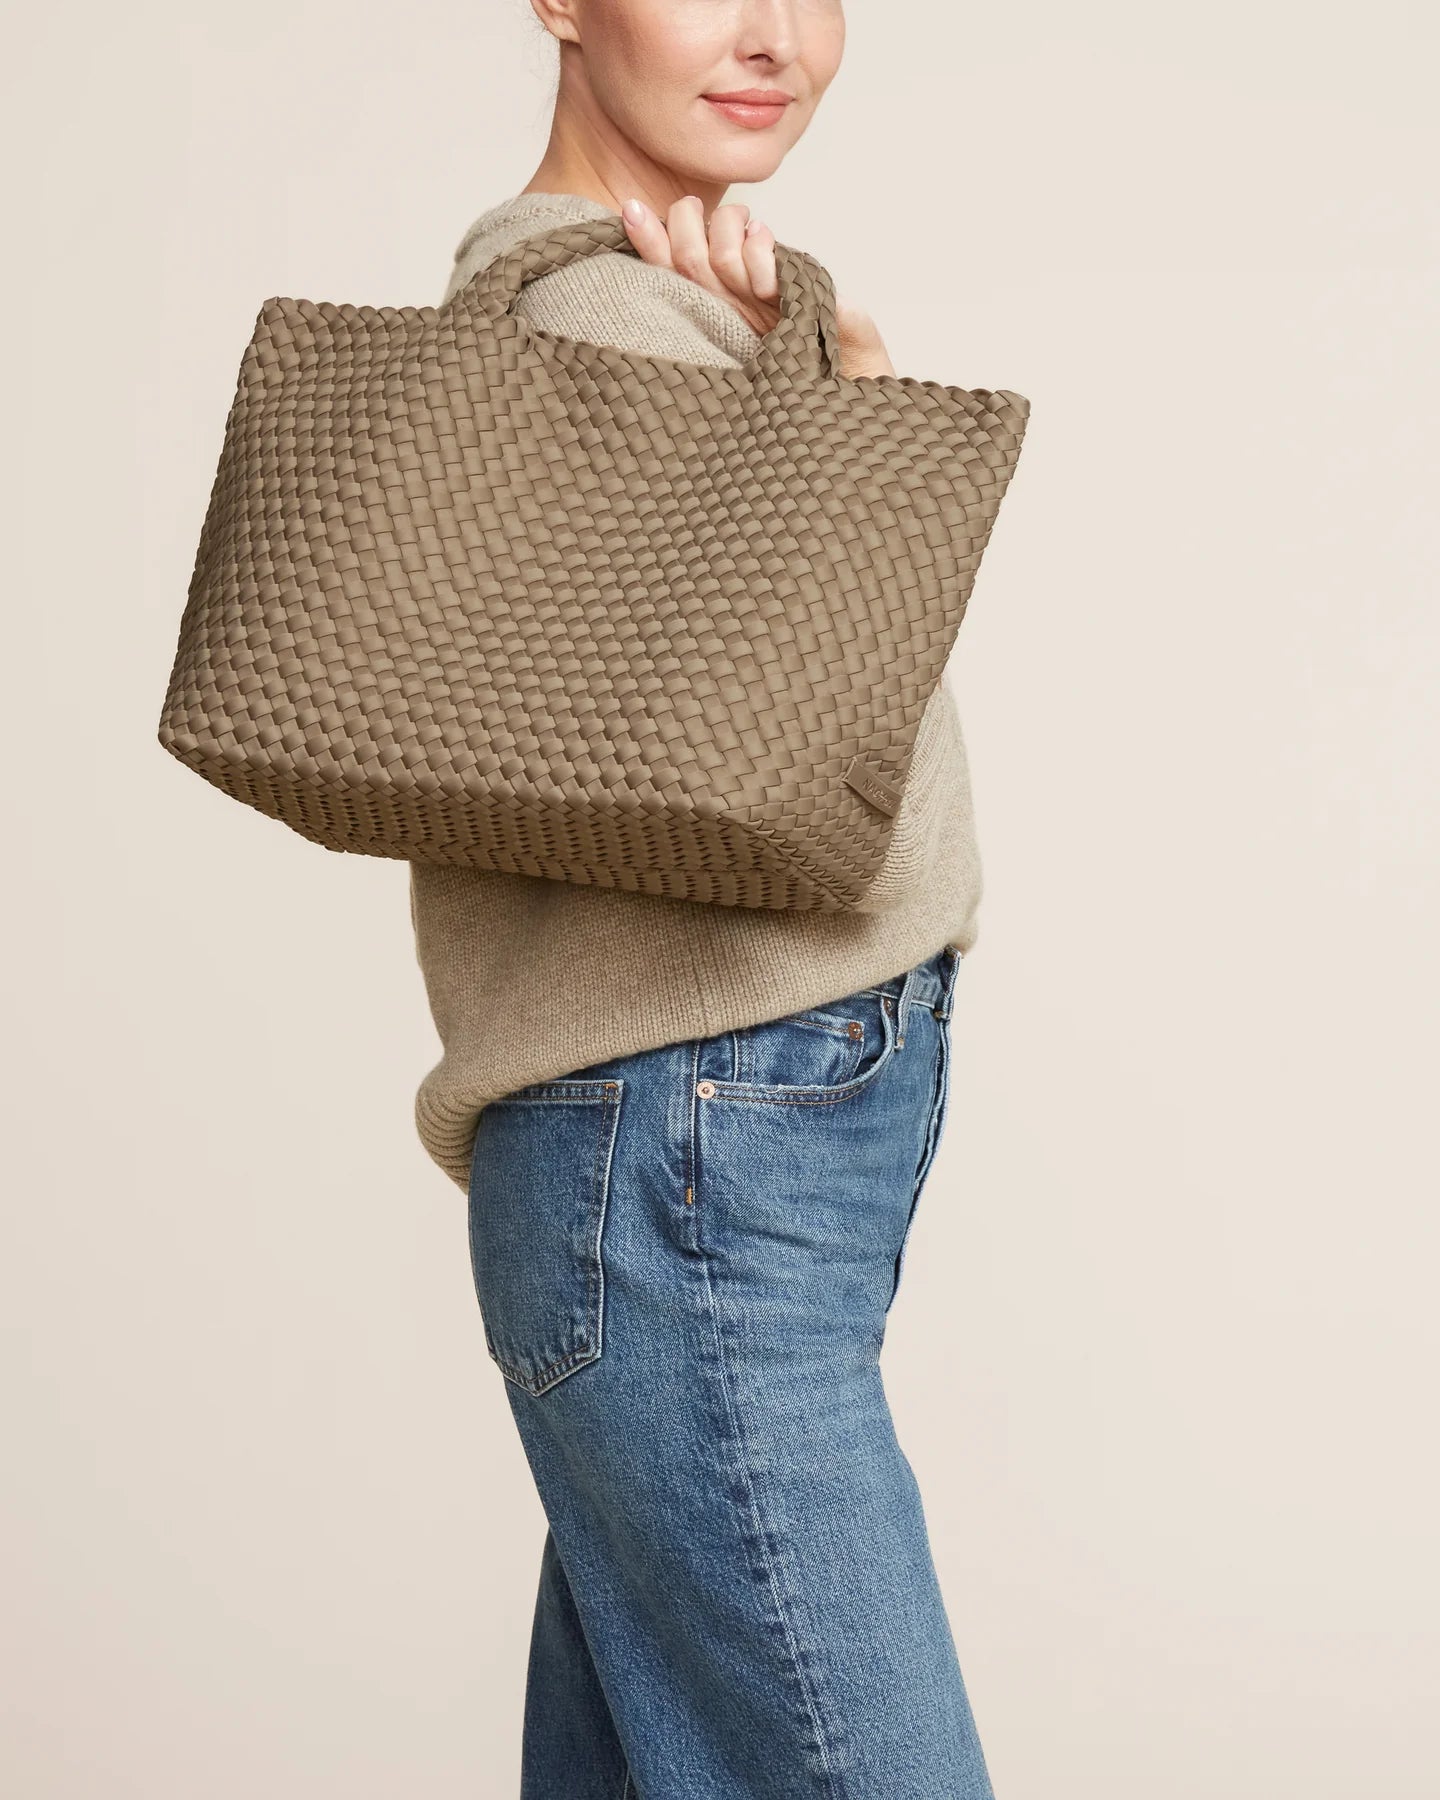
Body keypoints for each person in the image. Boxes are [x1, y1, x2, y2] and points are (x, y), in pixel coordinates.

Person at [410, 3, 997, 1794]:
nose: (772, 36)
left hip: (680, 1150)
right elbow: (794, 768)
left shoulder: (668, 316)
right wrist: (857, 433)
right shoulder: (601, 322)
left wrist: (799, 398)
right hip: (693, 1151)